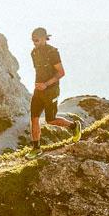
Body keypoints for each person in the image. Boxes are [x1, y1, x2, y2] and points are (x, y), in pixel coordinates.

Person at [28, 26, 76, 154]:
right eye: (33, 40)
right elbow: (39, 71)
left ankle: (74, 126)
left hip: (51, 91)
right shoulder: (34, 53)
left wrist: (45, 84)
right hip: (38, 91)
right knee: (34, 119)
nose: (34, 43)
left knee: (51, 120)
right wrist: (37, 85)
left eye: (37, 40)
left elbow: (61, 72)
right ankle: (36, 148)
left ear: (44, 38)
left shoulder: (52, 52)